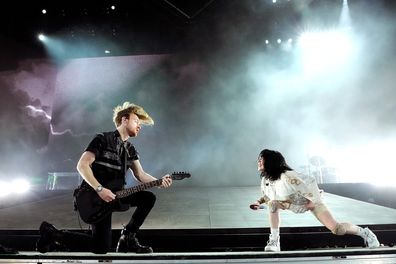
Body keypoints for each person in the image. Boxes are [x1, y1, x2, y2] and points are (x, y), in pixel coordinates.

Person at [37, 101, 172, 254]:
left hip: (116, 196)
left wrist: (159, 181)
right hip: (94, 198)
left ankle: (127, 238)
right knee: (100, 248)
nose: (139, 125)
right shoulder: (102, 139)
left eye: (140, 123)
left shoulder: (130, 149)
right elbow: (82, 165)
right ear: (124, 120)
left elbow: (140, 174)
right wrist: (100, 189)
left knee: (148, 198)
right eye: (136, 121)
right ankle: (53, 234)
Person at [250, 149, 380, 252]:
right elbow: (268, 196)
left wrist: (312, 202)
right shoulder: (266, 180)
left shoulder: (288, 176)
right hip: (290, 203)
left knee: (337, 229)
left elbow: (310, 181)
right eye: (259, 160)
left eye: (261, 159)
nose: (259, 162)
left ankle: (365, 233)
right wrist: (258, 202)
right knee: (272, 204)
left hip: (308, 202)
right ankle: (275, 241)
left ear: (271, 161)